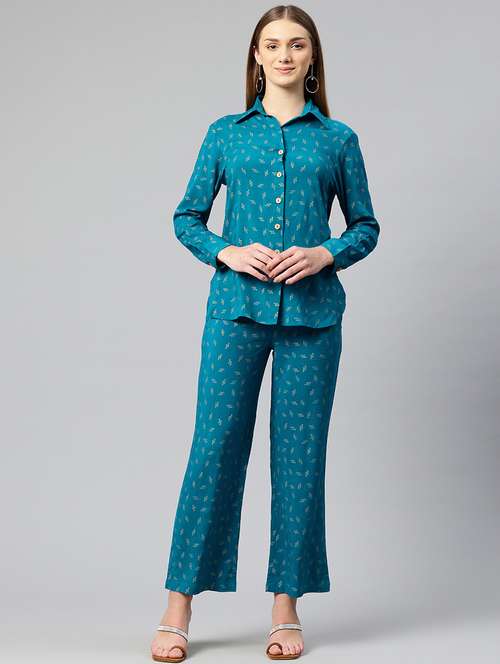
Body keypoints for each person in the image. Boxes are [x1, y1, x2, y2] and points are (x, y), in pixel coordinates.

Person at [151, 5, 380, 662]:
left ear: (312, 58)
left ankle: (286, 608)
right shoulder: (225, 134)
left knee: (300, 458)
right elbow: (187, 217)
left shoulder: (337, 140)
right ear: (256, 55)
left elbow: (365, 225)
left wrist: (325, 253)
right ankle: (177, 606)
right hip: (235, 312)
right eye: (273, 44)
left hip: (314, 317)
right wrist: (226, 251)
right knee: (214, 448)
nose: (284, 55)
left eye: (297, 45)